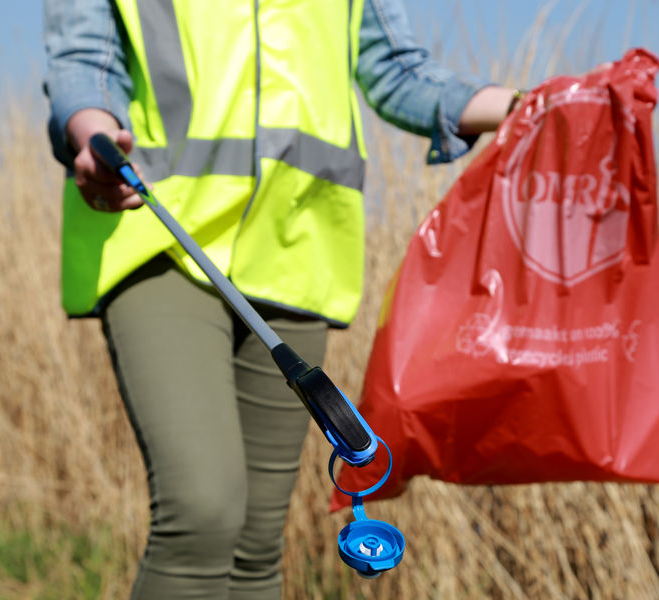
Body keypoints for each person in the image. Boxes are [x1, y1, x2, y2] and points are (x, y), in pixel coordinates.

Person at [43, 1, 520, 598]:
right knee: (202, 512)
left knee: (257, 545)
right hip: (158, 236)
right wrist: (93, 136)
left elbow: (399, 72)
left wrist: (528, 109)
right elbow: (86, 61)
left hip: (297, 253)